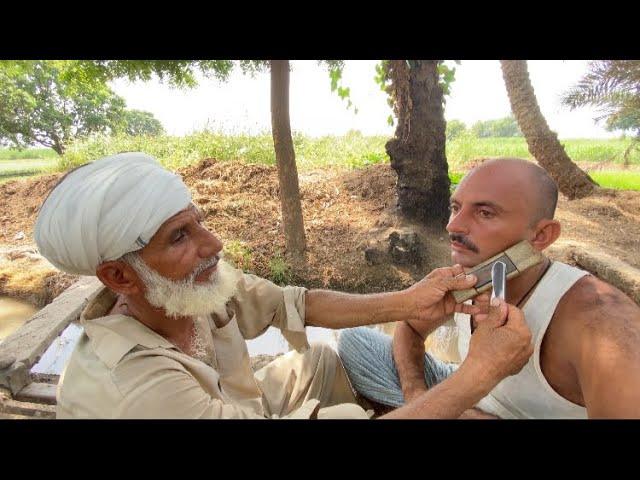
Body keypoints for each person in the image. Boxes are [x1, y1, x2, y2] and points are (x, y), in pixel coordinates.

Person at [35, 152, 532, 419]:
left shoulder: (186, 288)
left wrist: (408, 300)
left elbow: (292, 303)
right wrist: (478, 376)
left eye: (199, 222)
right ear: (120, 277)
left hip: (242, 406)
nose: (214, 244)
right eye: (180, 236)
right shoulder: (136, 392)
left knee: (328, 356)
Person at [338, 158, 640, 419]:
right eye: (455, 208)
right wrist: (418, 396)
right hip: (468, 391)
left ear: (541, 236)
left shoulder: (604, 326)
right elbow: (410, 328)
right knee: (355, 341)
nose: (454, 226)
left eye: (485, 213)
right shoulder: (469, 278)